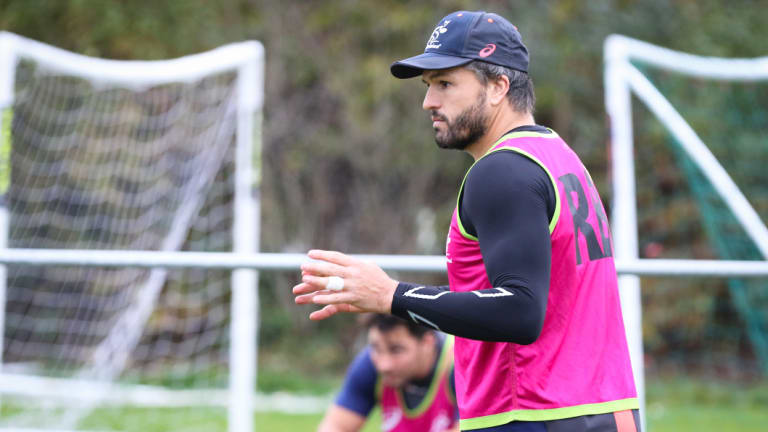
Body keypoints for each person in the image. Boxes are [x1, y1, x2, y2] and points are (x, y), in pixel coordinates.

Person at [294, 10, 640, 432]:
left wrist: (390, 295)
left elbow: (518, 311)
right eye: (427, 86)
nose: (429, 102)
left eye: (445, 84)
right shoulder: (559, 158)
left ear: (498, 86)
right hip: (602, 409)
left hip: (534, 413)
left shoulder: (502, 171)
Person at [318, 314, 459, 432]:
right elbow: (335, 426)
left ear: (428, 342)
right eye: (376, 348)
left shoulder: (460, 366)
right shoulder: (370, 363)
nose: (384, 365)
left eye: (396, 350)